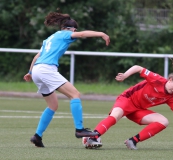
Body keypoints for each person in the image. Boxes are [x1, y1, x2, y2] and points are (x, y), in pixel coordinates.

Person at [83, 50, 173, 150]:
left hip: (138, 110)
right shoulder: (157, 80)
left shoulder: (171, 97)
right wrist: (125, 75)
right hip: (127, 99)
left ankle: (132, 141)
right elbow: (138, 67)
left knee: (164, 121)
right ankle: (92, 137)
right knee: (116, 116)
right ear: (170, 80)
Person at [23, 12, 110, 147]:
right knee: (74, 94)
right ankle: (79, 129)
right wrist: (101, 34)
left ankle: (37, 136)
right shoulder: (65, 34)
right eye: (75, 30)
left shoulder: (49, 39)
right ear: (72, 29)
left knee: (52, 105)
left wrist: (29, 72)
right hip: (46, 69)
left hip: (37, 70)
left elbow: (36, 57)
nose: (76, 32)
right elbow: (82, 35)